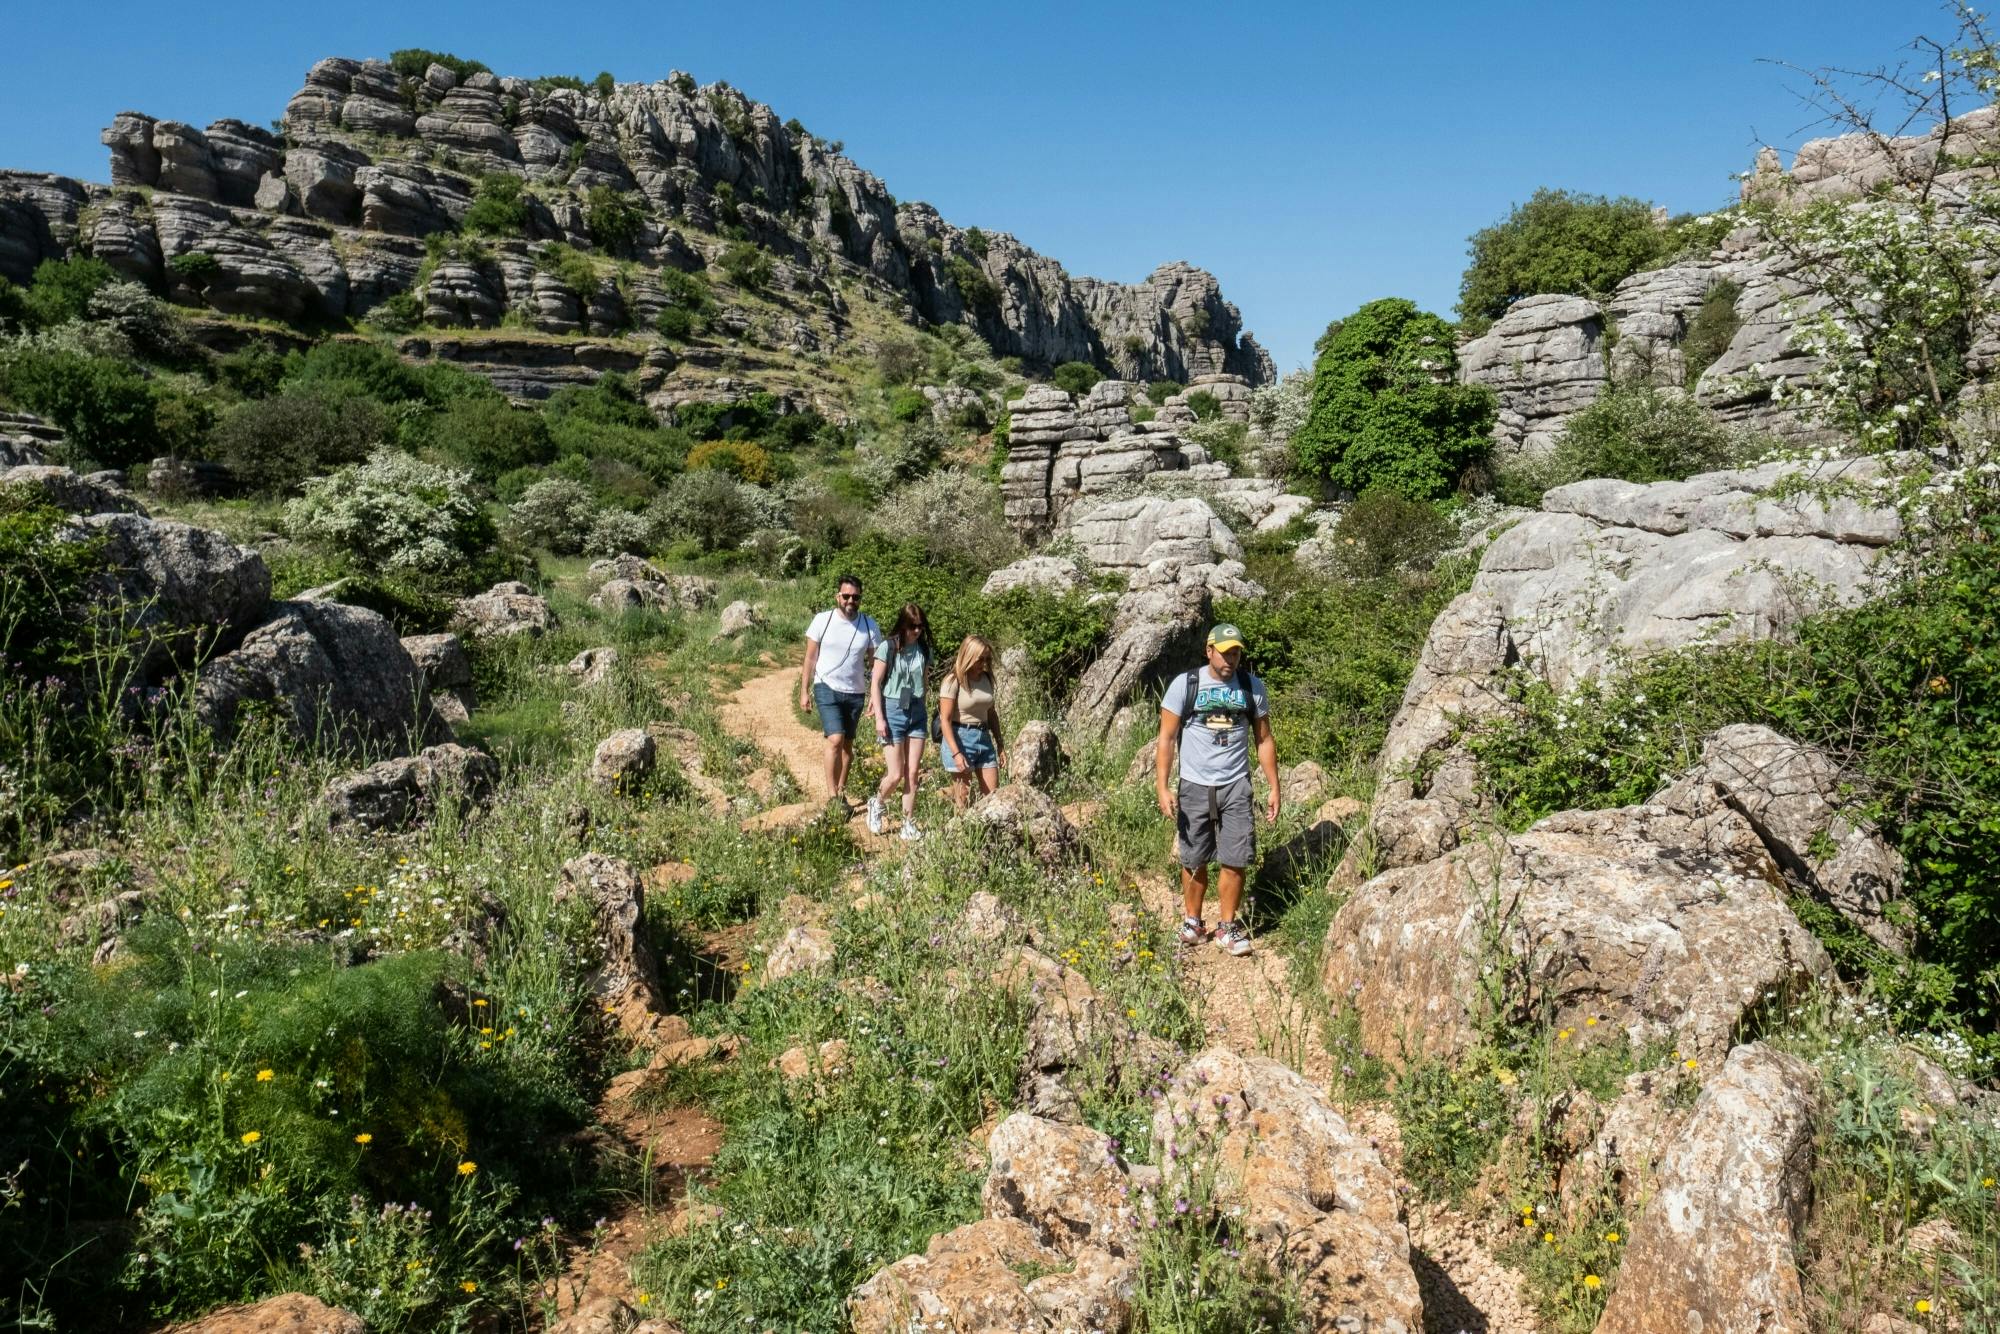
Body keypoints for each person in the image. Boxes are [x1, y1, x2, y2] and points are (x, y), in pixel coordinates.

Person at [1155, 623, 1279, 957]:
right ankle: (1193, 923)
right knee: (1194, 857)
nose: (1230, 659)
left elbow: (1264, 739)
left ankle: (1227, 926)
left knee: (1235, 857)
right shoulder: (1186, 684)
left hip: (1236, 784)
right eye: (1224, 653)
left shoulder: (1252, 687)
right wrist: (1162, 785)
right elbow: (1166, 738)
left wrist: (1274, 786)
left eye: (1236, 652)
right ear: (1209, 651)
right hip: (1195, 784)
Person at [799, 574, 882, 812]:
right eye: (846, 596)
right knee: (834, 740)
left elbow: (876, 665)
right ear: (838, 596)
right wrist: (804, 691)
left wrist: (876, 698)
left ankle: (842, 789)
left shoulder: (869, 625)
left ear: (860, 599)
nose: (850, 601)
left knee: (847, 746)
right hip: (826, 687)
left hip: (855, 693)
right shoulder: (822, 620)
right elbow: (810, 657)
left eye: (855, 597)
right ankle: (832, 795)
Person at [867, 603, 933, 841]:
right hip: (893, 708)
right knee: (895, 774)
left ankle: (908, 823)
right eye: (912, 626)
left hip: (916, 709)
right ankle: (877, 802)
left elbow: (924, 681)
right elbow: (875, 682)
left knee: (912, 772)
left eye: (920, 626)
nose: (916, 631)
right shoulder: (888, 647)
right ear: (903, 625)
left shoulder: (923, 649)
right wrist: (880, 718)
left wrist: (924, 707)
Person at [939, 634, 1007, 810]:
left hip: (984, 738)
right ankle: (962, 836)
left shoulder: (987, 679)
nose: (984, 663)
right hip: (960, 738)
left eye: (987, 659)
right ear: (968, 656)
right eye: (980, 659)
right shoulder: (953, 681)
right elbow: (944, 720)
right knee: (963, 802)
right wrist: (956, 753)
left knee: (993, 800)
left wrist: (1000, 744)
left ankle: (991, 836)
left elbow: (991, 713)